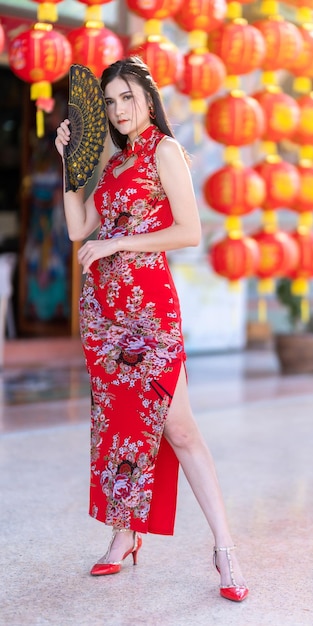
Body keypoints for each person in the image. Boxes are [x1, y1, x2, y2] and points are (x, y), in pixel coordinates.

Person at [55, 56, 248, 602]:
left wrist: (117, 243)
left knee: (179, 428)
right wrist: (71, 163)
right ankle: (124, 535)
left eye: (126, 98)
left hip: (149, 309)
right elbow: (77, 227)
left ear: (147, 96)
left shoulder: (165, 152)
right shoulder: (113, 167)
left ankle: (225, 549)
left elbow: (189, 231)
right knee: (116, 423)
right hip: (105, 314)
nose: (118, 110)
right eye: (110, 102)